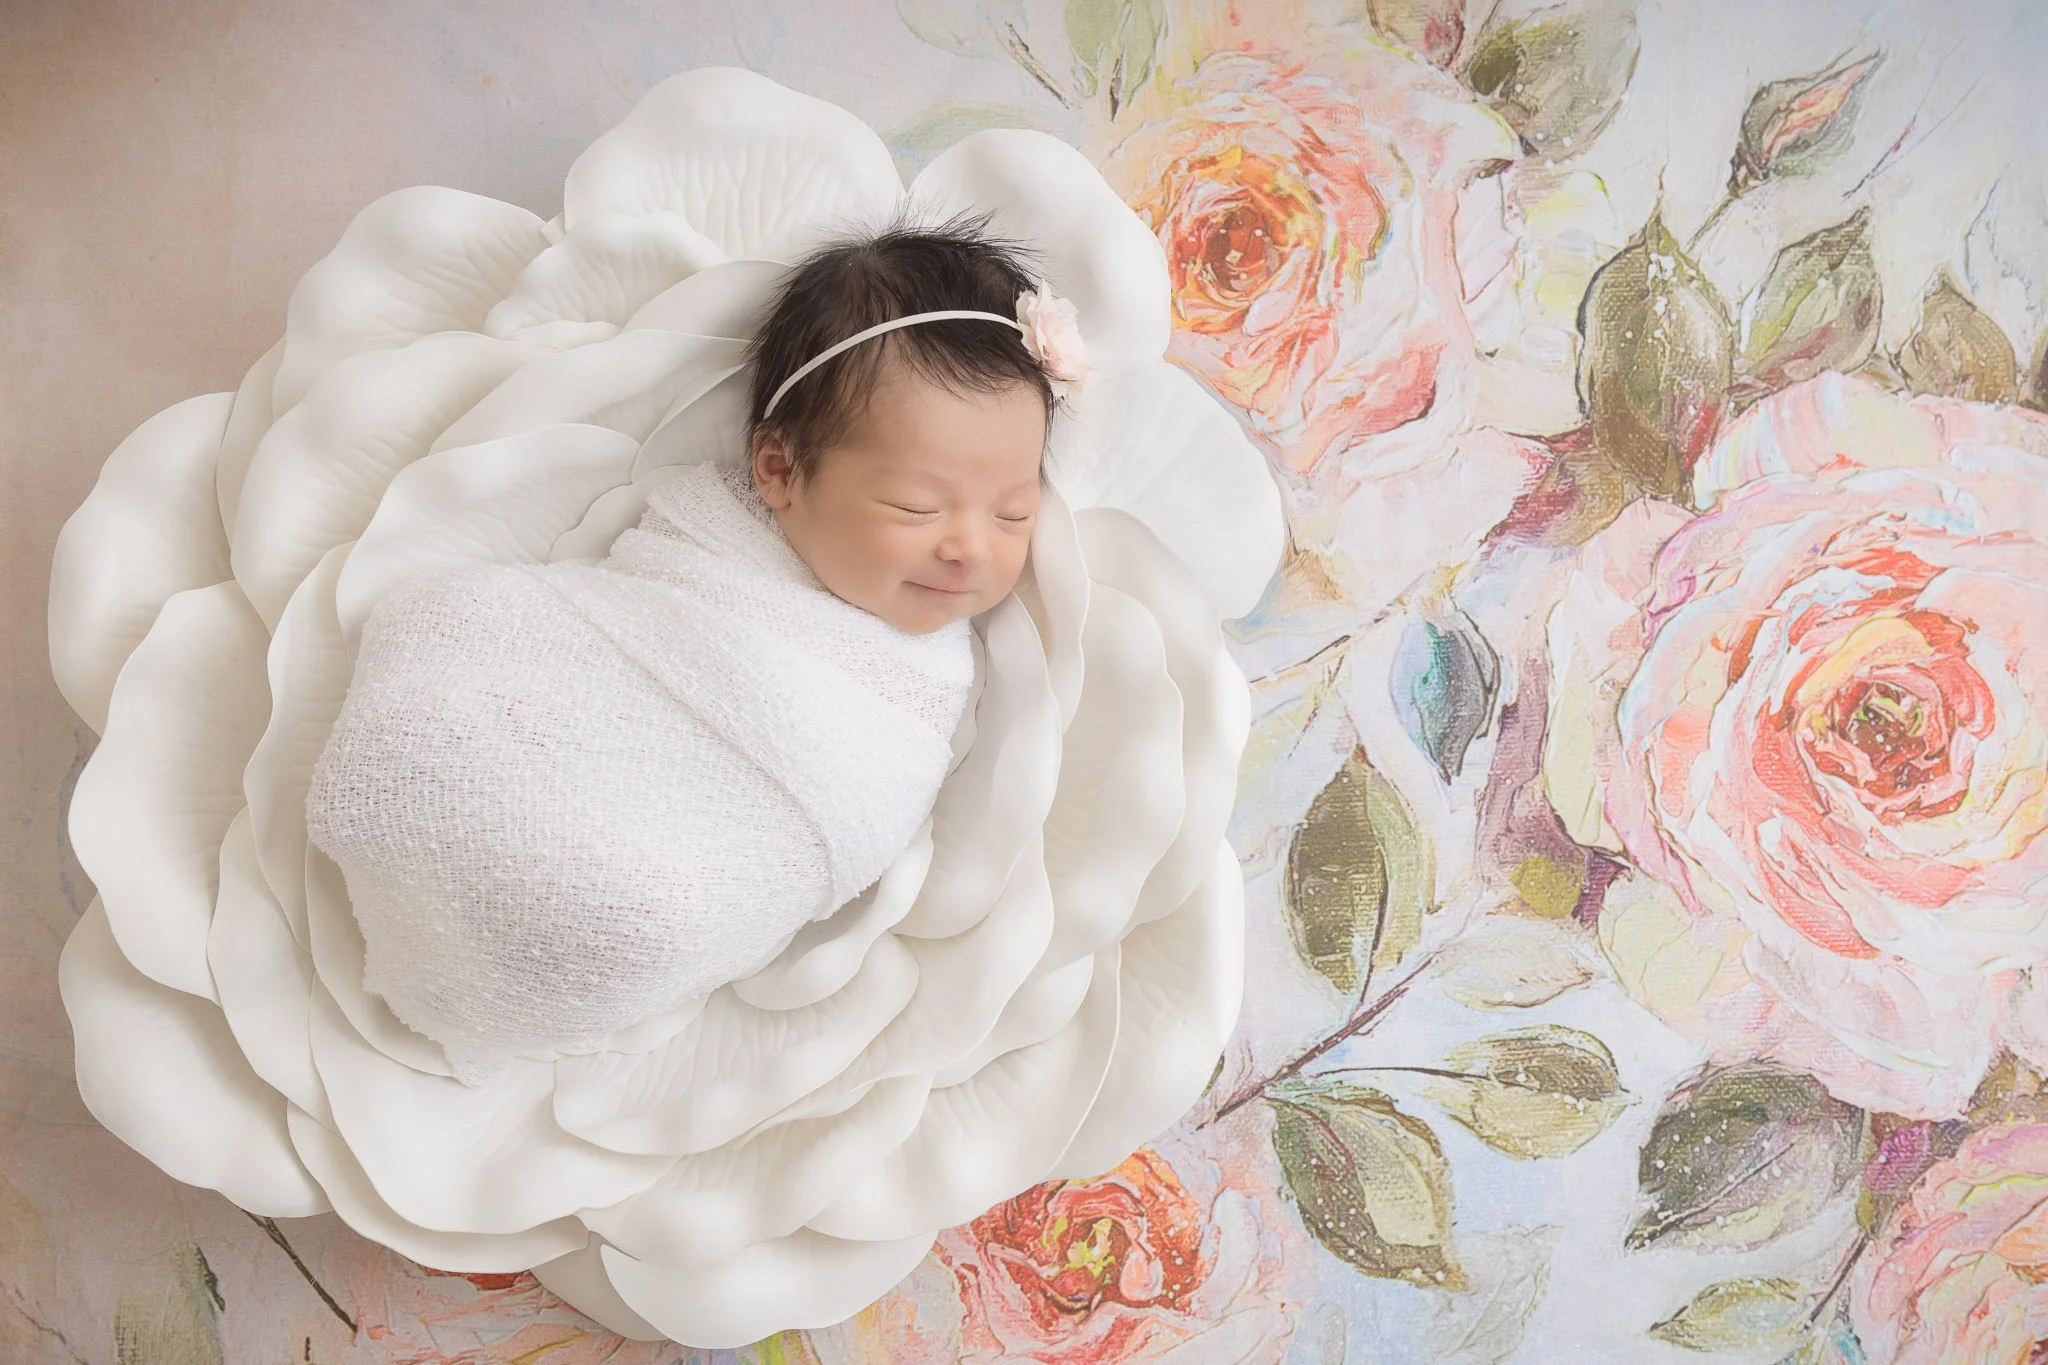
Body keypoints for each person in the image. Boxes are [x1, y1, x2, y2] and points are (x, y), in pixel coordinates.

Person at [304, 215, 1088, 1081]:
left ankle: (580, 923)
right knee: (446, 643)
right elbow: (599, 636)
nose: (971, 548)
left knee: (642, 910)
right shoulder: (709, 544)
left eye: (1013, 511)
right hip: (582, 704)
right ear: (779, 472)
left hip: (653, 874)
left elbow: (864, 799)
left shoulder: (915, 684)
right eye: (915, 506)